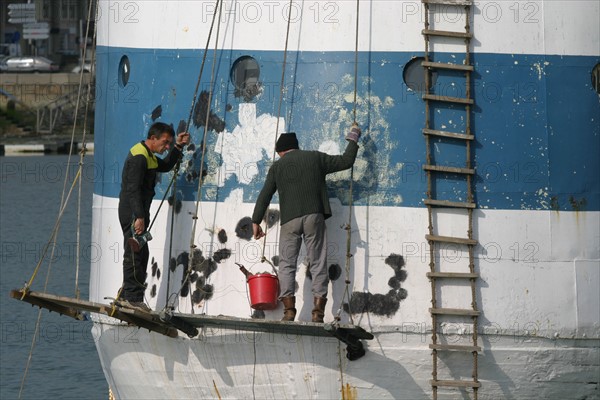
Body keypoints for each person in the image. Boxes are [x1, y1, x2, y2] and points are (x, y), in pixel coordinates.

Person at [252, 124, 362, 323]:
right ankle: (318, 313)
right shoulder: (315, 157)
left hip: (289, 220)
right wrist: (353, 139)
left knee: (287, 263)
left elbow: (265, 194)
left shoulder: (278, 167)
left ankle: (288, 312)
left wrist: (256, 220)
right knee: (318, 261)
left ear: (281, 152)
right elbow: (346, 161)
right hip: (314, 217)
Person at [118, 122, 190, 312]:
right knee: (135, 253)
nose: (166, 146)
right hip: (133, 211)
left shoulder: (148, 155)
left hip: (139, 210)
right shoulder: (139, 156)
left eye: (169, 143)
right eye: (165, 143)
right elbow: (132, 189)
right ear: (153, 138)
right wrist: (139, 217)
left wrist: (178, 147)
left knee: (141, 252)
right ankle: (132, 299)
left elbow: (165, 166)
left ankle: (126, 294)